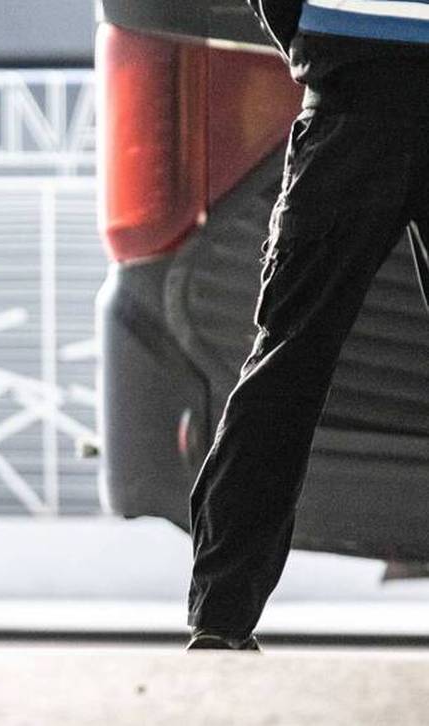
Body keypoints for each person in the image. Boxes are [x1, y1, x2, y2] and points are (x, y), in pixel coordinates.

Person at [187, 1, 429, 650]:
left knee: (287, 363)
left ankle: (221, 616)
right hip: (347, 89)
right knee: (284, 364)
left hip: (346, 105)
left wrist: (322, 52)